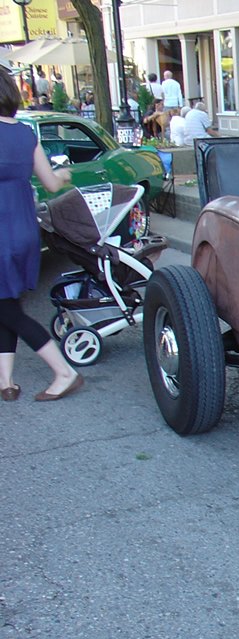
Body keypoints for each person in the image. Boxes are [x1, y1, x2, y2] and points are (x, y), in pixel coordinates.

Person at [0, 70, 84, 402]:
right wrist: (63, 174)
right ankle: (5, 380)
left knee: (8, 310)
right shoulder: (26, 133)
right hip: (23, 230)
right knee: (6, 302)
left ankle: (64, 372)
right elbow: (50, 183)